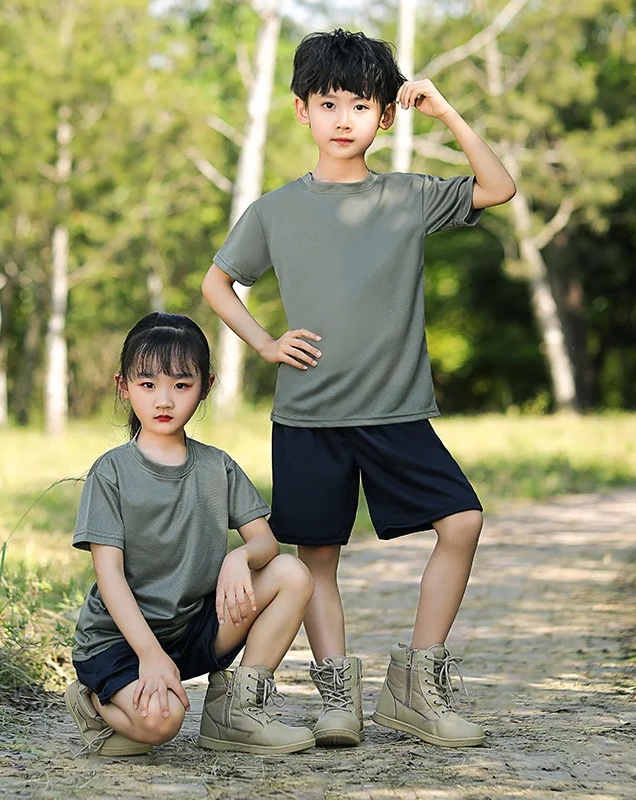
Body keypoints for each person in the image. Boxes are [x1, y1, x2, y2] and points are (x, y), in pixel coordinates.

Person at [202, 29, 516, 749]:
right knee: (316, 559)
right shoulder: (276, 209)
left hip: (397, 412)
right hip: (309, 415)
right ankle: (337, 695)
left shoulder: (408, 197)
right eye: (328, 102)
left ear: (385, 117)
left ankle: (415, 688)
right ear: (301, 110)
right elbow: (218, 284)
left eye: (361, 104)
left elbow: (498, 187)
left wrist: (449, 115)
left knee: (461, 522)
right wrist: (264, 343)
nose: (343, 118)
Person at [64, 312, 315, 756]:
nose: (164, 400)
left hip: (192, 628)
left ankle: (235, 714)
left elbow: (267, 543)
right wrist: (149, 654)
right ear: (124, 386)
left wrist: (240, 558)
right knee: (162, 724)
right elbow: (110, 577)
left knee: (291, 574)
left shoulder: (217, 466)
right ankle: (90, 702)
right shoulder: (112, 472)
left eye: (181, 385)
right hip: (121, 639)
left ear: (206, 386)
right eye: (148, 385)